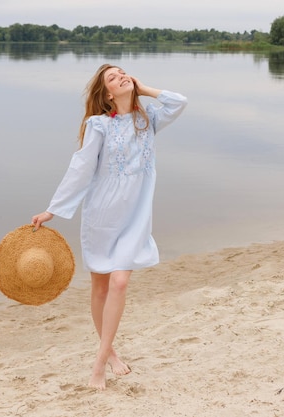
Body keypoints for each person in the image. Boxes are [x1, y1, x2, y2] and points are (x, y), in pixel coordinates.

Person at [31, 64, 187, 390]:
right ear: (107, 94)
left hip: (135, 217)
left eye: (123, 72)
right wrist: (53, 210)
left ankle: (99, 363)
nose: (121, 77)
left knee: (119, 283)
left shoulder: (148, 120)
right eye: (112, 78)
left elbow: (179, 102)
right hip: (101, 216)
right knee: (100, 288)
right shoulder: (98, 124)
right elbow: (81, 168)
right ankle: (111, 351)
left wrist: (144, 89)